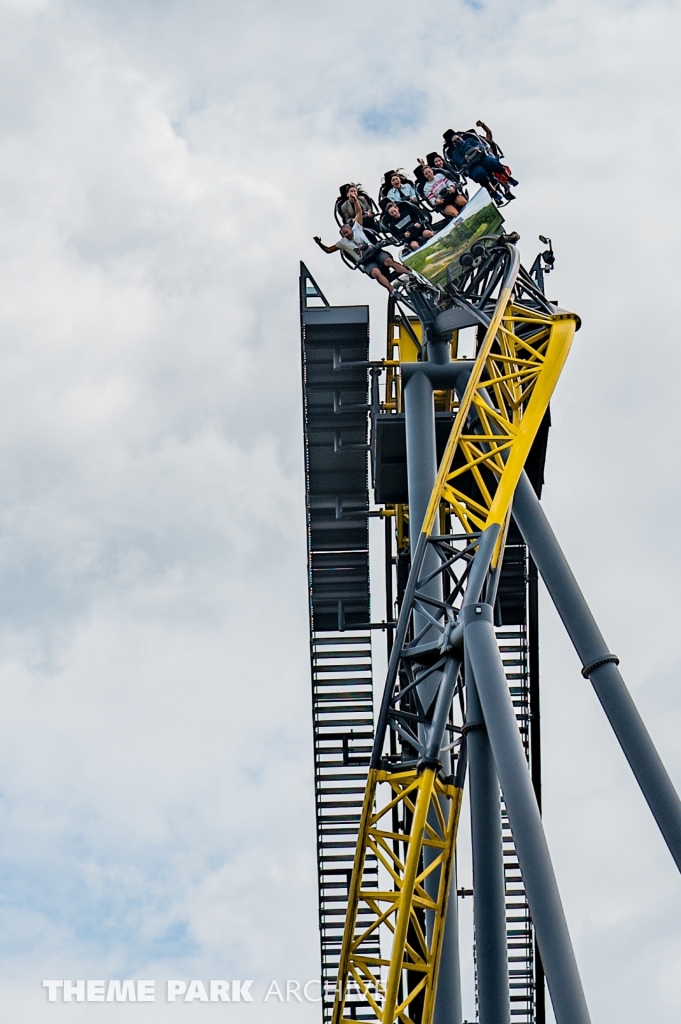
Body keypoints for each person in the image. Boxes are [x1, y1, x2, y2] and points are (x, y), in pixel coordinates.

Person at [314, 193, 410, 294]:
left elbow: (358, 212)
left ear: (351, 229)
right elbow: (328, 250)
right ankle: (392, 290)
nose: (346, 235)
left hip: (375, 252)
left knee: (388, 261)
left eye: (347, 232)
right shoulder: (342, 243)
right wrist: (319, 243)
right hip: (366, 261)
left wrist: (355, 200)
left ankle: (409, 273)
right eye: (344, 234)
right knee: (375, 273)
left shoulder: (357, 228)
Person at [443, 128, 518, 199]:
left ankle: (509, 179)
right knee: (479, 173)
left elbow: (481, 145)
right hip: (472, 166)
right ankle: (494, 192)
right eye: (455, 141)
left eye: (458, 139)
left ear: (461, 137)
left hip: (482, 157)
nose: (458, 141)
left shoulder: (469, 140)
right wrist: (466, 158)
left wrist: (477, 148)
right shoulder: (454, 153)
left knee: (492, 162)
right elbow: (460, 162)